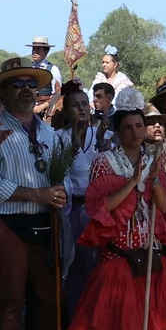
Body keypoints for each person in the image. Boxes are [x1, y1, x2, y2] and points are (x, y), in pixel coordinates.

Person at [68, 106, 166, 330]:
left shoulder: (152, 161)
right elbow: (101, 207)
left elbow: (162, 208)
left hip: (146, 245)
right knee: (120, 320)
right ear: (118, 132)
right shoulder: (104, 162)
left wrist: (155, 179)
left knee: (143, 317)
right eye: (128, 127)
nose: (135, 132)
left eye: (139, 126)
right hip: (118, 248)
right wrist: (134, 182)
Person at [0, 58, 63, 330]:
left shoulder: (51, 133)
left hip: (45, 222)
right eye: (18, 84)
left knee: (48, 296)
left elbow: (62, 174)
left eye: (31, 84)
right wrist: (38, 195)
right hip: (6, 223)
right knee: (11, 297)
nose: (27, 90)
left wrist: (58, 194)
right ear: (5, 93)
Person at [59, 82, 101, 317]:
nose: (81, 109)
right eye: (75, 105)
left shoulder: (101, 135)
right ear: (66, 111)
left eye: (84, 104)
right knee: (74, 266)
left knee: (96, 267)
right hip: (72, 210)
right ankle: (74, 318)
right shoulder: (59, 137)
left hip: (96, 210)